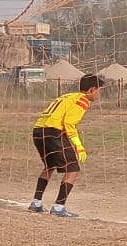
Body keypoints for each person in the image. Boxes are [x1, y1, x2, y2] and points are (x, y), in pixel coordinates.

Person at [29, 73, 105, 218]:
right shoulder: (83, 100)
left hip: (38, 130)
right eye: (99, 90)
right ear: (91, 90)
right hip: (53, 132)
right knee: (73, 169)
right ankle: (58, 207)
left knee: (49, 166)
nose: (99, 94)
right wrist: (79, 146)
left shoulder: (66, 96)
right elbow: (69, 123)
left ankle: (36, 202)